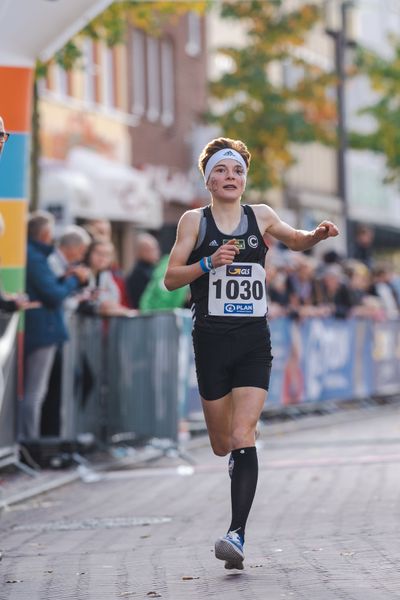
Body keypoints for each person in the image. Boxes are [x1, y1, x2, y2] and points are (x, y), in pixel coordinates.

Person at [164, 137, 339, 570]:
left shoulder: (259, 216)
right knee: (222, 443)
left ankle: (236, 534)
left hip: (252, 341)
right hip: (210, 340)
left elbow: (295, 240)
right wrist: (209, 264)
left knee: (244, 435)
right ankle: (238, 456)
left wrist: (316, 235)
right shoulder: (194, 221)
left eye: (238, 171)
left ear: (245, 179)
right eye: (222, 171)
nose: (230, 177)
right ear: (208, 179)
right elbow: (170, 279)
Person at [21, 211, 90, 440]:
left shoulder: (35, 256)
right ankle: (31, 443)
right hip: (43, 330)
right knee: (35, 392)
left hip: (44, 329)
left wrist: (66, 279)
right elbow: (53, 295)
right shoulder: (35, 257)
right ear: (46, 233)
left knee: (38, 391)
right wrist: (73, 280)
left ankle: (33, 441)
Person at [125, 233, 161, 309]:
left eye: (156, 248)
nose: (156, 252)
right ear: (140, 251)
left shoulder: (156, 269)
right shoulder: (138, 274)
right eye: (150, 249)